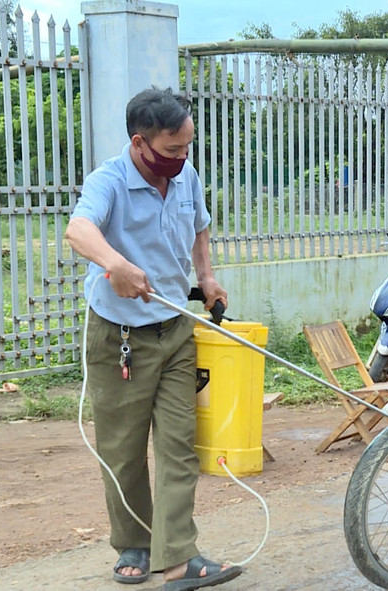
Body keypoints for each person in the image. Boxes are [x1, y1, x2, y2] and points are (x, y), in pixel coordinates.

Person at [65, 88, 242, 590]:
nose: (181, 158)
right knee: (123, 451)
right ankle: (135, 545)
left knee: (179, 447)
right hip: (119, 337)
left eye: (187, 147)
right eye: (172, 149)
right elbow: (79, 230)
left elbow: (200, 227)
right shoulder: (109, 180)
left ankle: (179, 557)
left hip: (175, 332)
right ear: (139, 143)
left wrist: (206, 278)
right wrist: (115, 264)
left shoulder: (186, 175)